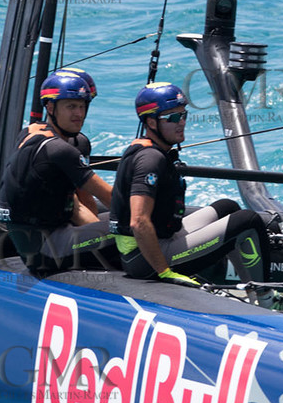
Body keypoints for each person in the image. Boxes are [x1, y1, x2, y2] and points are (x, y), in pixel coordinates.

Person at [112, 81, 269, 289]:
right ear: (151, 123)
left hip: (161, 239)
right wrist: (164, 272)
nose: (182, 122)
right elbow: (138, 221)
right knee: (248, 221)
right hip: (146, 258)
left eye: (183, 115)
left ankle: (250, 289)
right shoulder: (150, 159)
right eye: (173, 117)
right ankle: (266, 298)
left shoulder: (152, 150)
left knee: (227, 207)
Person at [2, 68, 115, 275]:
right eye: (71, 106)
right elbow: (111, 198)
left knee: (116, 228)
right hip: (46, 250)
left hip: (36, 243)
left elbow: (77, 202)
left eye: (82, 106)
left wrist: (97, 232)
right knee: (133, 227)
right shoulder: (58, 149)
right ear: (51, 107)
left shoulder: (32, 132)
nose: (79, 114)